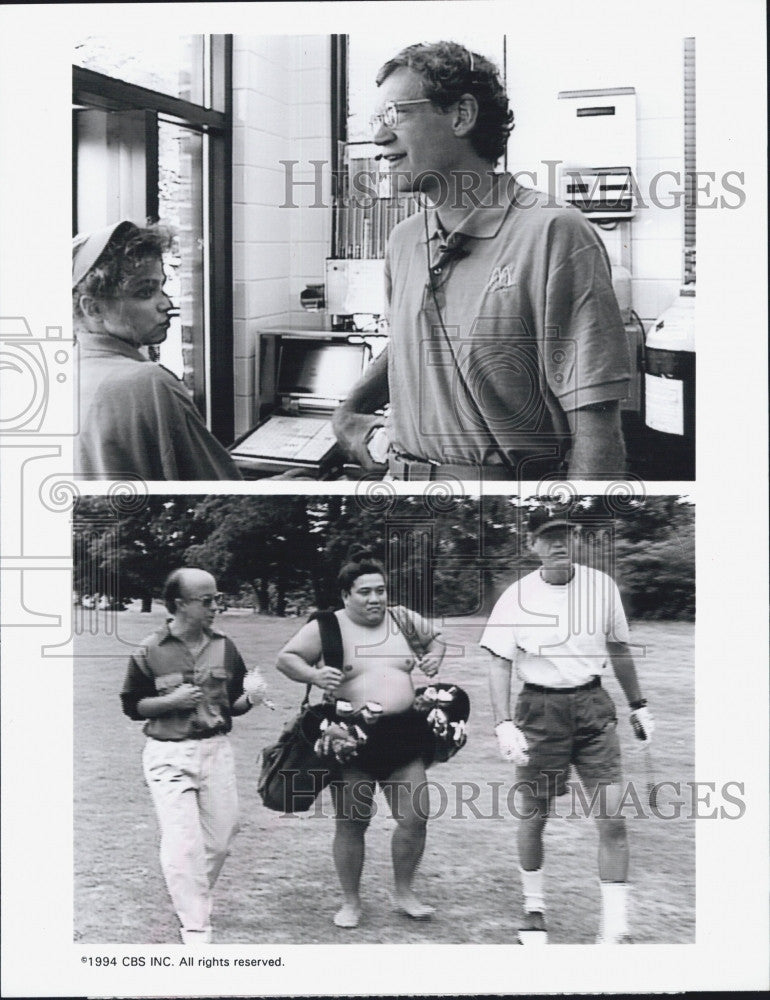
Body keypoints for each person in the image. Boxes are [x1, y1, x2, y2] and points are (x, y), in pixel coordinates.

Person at [332, 41, 630, 481]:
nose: (378, 137)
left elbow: (597, 429)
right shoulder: (403, 241)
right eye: (378, 120)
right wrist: (348, 414)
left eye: (395, 116)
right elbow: (411, 340)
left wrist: (575, 534)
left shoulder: (553, 234)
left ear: (462, 115)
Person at [480, 510, 655, 944]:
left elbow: (619, 649)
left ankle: (614, 930)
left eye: (565, 535)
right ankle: (534, 908)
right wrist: (503, 723)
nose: (558, 543)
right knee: (534, 816)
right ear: (532, 545)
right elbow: (500, 662)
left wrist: (639, 705)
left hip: (593, 708)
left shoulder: (601, 586)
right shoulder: (516, 597)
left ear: (575, 540)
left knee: (612, 818)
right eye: (548, 537)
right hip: (539, 711)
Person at [276, 550, 446, 929]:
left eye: (380, 590)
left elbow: (435, 641)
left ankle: (405, 892)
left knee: (416, 816)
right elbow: (286, 658)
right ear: (346, 596)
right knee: (353, 821)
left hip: (404, 734)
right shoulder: (326, 626)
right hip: (350, 737)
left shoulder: (401, 618)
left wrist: (434, 658)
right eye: (365, 592)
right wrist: (314, 676)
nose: (375, 599)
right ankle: (351, 901)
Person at [120, 568, 267, 944]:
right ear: (180, 604)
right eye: (208, 600)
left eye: (217, 598)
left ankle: (188, 893)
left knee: (221, 837)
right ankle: (196, 928)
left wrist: (250, 697)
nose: (216, 606)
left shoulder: (225, 646)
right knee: (183, 841)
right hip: (169, 755)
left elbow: (232, 705)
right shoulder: (149, 650)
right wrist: (170, 701)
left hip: (216, 752)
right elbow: (133, 706)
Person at [73, 220, 242, 481]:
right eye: (145, 292)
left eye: (161, 287)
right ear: (93, 308)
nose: (166, 304)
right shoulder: (150, 382)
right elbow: (217, 485)